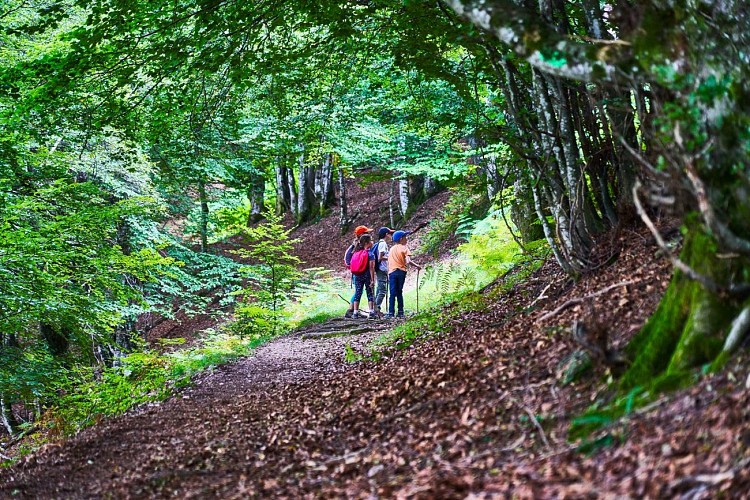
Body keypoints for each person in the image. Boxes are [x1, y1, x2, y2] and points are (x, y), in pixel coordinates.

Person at [387, 230, 421, 318]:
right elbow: (408, 261)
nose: (406, 239)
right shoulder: (404, 248)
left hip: (392, 272)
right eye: (405, 237)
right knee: (399, 291)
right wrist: (417, 266)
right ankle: (400, 312)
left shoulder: (391, 249)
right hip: (401, 272)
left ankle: (391, 312)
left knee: (392, 292)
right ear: (401, 239)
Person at [344, 225, 373, 318]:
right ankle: (351, 310)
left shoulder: (356, 245)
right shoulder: (358, 246)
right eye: (366, 232)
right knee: (360, 291)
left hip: (357, 272)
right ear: (362, 235)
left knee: (358, 291)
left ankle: (354, 311)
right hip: (362, 272)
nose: (368, 234)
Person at [350, 234, 376, 319]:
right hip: (367, 275)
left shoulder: (356, 252)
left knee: (358, 293)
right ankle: (371, 312)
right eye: (371, 240)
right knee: (369, 293)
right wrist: (372, 280)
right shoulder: (370, 254)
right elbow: (371, 268)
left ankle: (355, 313)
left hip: (357, 275)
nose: (372, 242)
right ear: (367, 243)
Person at [373, 227, 394, 316]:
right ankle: (376, 310)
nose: (390, 236)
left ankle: (375, 309)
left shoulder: (380, 243)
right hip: (381, 269)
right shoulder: (382, 244)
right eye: (389, 234)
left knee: (379, 289)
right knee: (382, 290)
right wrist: (390, 257)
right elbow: (380, 257)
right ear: (386, 234)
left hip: (381, 269)